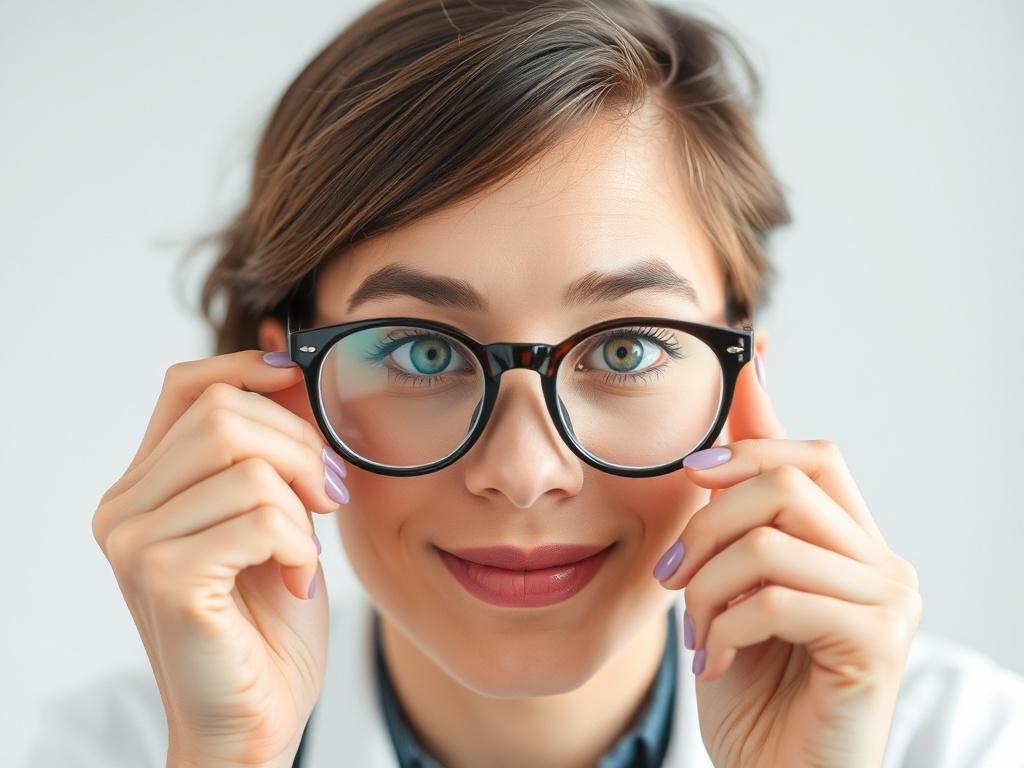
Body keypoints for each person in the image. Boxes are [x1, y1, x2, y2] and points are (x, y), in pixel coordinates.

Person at [25, 0, 1024, 766]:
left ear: (740, 372)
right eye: (421, 351)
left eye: (625, 349)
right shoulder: (114, 751)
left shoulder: (960, 742)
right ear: (282, 390)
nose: (523, 471)